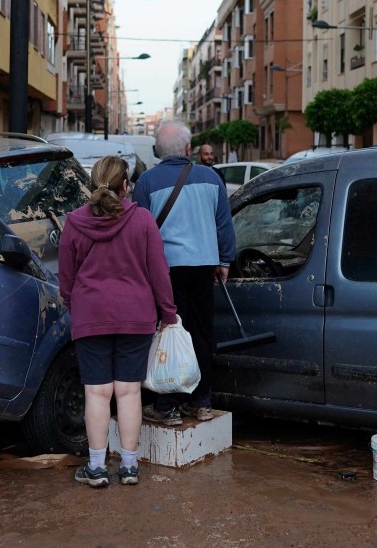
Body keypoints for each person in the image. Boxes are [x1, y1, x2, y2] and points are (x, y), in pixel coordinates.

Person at [58, 155, 176, 488]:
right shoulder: (143, 221)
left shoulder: (75, 222)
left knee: (96, 393)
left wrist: (73, 301)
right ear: (127, 185)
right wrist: (168, 313)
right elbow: (159, 273)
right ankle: (128, 467)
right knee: (127, 393)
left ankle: (96, 468)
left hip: (90, 315)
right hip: (135, 316)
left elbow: (66, 276)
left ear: (93, 184)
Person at [133, 120, 236, 425]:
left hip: (166, 270)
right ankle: (201, 402)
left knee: (170, 332)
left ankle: (167, 405)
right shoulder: (211, 178)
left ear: (157, 151)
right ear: (189, 149)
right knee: (202, 334)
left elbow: (139, 231)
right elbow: (223, 224)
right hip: (204, 266)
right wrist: (225, 261)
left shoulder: (147, 182)